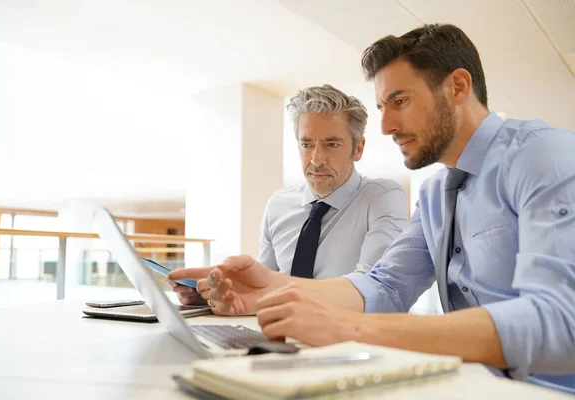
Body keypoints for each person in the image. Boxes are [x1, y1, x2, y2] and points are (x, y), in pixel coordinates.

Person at [169, 24, 575, 392]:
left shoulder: (542, 155)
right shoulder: (436, 196)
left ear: (457, 87)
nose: (385, 127)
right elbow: (384, 287)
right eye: (383, 107)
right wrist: (267, 290)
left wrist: (352, 328)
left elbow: (560, 323)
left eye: (399, 101)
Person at [174, 84, 408, 305]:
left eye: (331, 144)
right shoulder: (279, 205)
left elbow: (374, 288)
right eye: (306, 144)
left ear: (358, 148)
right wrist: (216, 294)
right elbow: (259, 291)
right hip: (279, 336)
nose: (316, 160)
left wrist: (275, 290)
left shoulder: (382, 198)